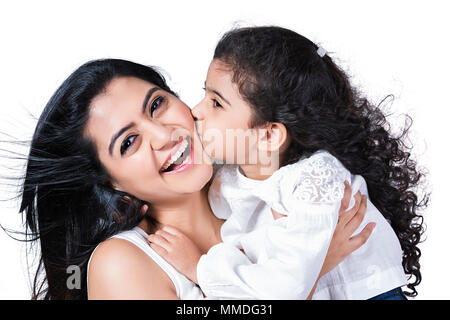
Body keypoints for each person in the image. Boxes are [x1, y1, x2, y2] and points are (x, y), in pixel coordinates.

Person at [17, 58, 372, 300]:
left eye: (156, 105)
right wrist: (310, 272)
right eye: (129, 142)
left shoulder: (270, 191)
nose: (162, 134)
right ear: (111, 183)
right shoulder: (121, 263)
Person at [147, 26, 427, 300]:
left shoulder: (315, 180)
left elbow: (285, 290)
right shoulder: (228, 176)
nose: (196, 111)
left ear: (269, 135)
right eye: (205, 95)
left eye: (216, 103)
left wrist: (199, 267)